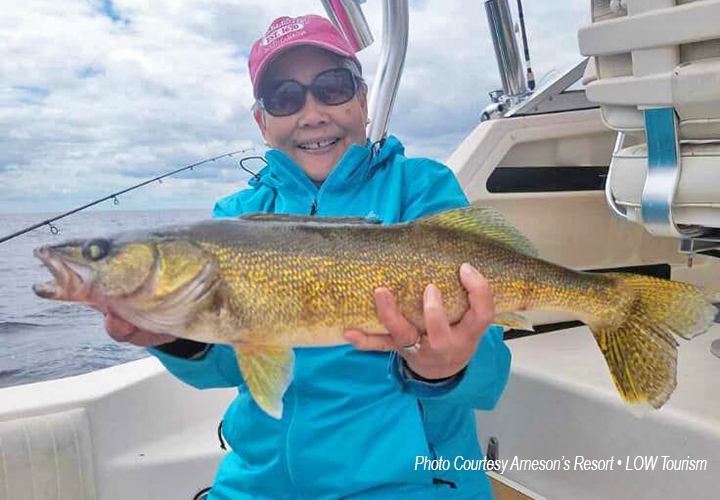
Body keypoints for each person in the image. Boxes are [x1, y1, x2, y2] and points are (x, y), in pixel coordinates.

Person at [103, 14, 511, 499]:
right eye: (285, 98)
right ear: (263, 121)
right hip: (259, 483)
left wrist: (447, 365)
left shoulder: (422, 188)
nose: (311, 112)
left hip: (410, 482)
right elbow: (231, 367)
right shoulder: (234, 217)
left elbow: (488, 368)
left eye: (332, 88)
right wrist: (176, 339)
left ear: (362, 99)